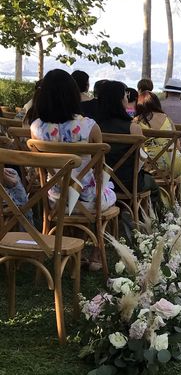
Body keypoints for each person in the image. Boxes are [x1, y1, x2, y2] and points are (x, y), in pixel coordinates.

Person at [30, 69, 116, 269]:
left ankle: (68, 240)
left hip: (55, 200)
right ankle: (95, 252)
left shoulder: (35, 128)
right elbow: (98, 169)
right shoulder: (90, 127)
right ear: (73, 95)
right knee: (109, 190)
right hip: (88, 200)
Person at [95, 80, 158, 205]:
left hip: (101, 182)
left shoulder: (94, 127)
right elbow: (141, 157)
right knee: (153, 185)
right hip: (128, 183)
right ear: (119, 100)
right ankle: (151, 219)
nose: (126, 99)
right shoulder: (133, 128)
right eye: (125, 96)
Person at [134, 90, 181, 177]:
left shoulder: (136, 122)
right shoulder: (167, 118)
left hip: (151, 168)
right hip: (175, 165)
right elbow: (178, 146)